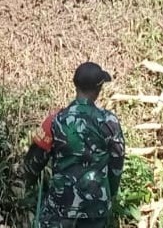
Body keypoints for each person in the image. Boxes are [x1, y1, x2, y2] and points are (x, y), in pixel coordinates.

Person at [23, 62, 125, 228]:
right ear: (99, 90)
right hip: (96, 208)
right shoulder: (109, 122)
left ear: (75, 85)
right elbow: (116, 165)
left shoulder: (55, 120)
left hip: (60, 207)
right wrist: (110, 194)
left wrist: (28, 184)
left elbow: (33, 162)